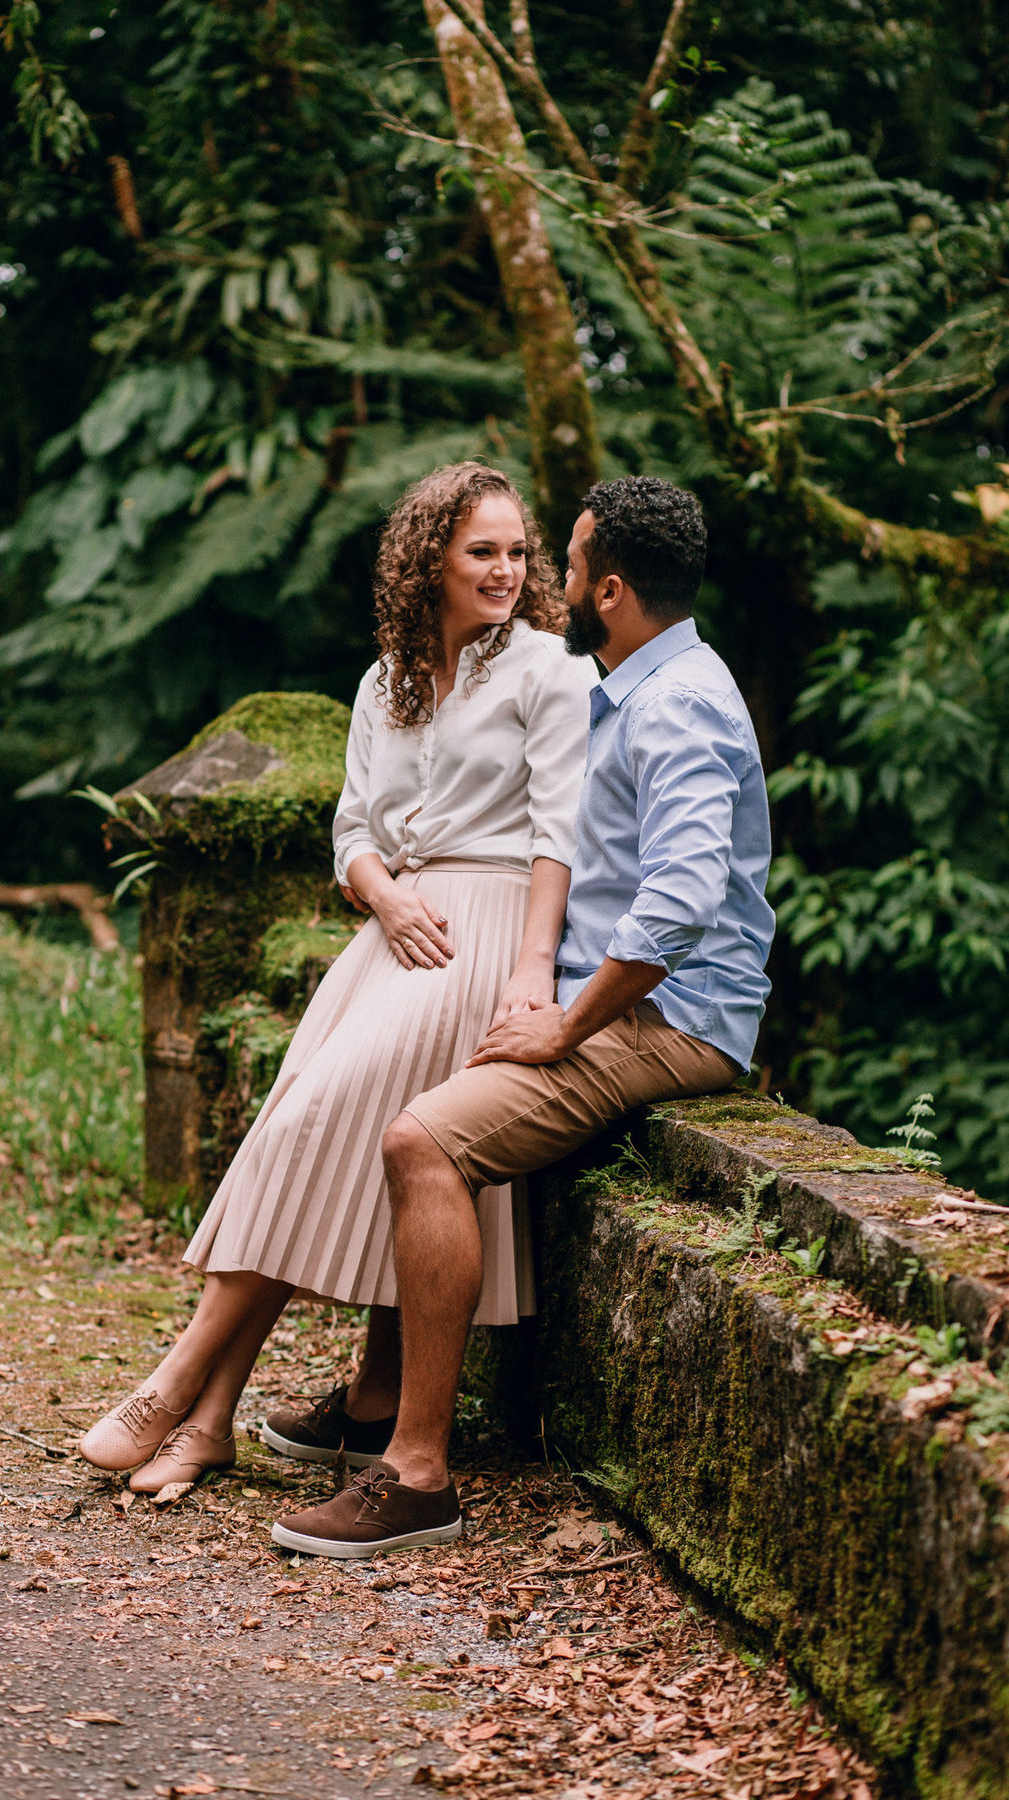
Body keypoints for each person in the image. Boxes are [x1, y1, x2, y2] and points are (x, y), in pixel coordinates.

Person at [270, 474, 776, 1558]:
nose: (548, 579)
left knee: (425, 1143)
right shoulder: (634, 686)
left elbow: (681, 903)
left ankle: (417, 1475)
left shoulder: (678, 704)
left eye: (566, 562)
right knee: (420, 1086)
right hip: (613, 995)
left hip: (668, 1017)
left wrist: (566, 1024)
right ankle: (372, 1400)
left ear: (610, 590)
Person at [78, 462, 595, 1491]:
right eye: (480, 551)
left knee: (309, 1125)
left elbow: (561, 831)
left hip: (483, 938)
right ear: (429, 561)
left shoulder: (549, 669)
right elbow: (352, 829)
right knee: (298, 1131)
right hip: (394, 932)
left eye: (517, 552)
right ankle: (210, 1422)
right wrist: (384, 897)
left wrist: (533, 967)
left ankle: (175, 1385)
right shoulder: (384, 679)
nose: (504, 570)